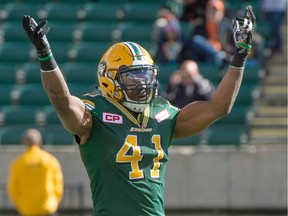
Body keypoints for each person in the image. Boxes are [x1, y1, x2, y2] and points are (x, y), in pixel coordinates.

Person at [22, 7, 254, 215]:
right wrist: (46, 56)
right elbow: (62, 101)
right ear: (108, 80)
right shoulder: (96, 113)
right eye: (133, 77)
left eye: (145, 76)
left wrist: (240, 54)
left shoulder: (162, 113)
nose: (142, 84)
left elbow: (218, 107)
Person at [7, 128, 63, 216]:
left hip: (26, 209)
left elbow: (13, 188)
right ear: (39, 142)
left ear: (24, 143)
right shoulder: (50, 160)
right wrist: (55, 201)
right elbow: (58, 184)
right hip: (48, 207)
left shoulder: (18, 163)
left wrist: (20, 205)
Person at [180, 0, 234, 68]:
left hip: (222, 61)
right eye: (210, 10)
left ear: (222, 13)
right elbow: (190, 45)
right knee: (196, 40)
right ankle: (217, 55)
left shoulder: (228, 26)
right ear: (206, 12)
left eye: (215, 11)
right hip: (204, 59)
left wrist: (228, 49)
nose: (213, 13)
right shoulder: (200, 26)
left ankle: (218, 55)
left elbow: (234, 47)